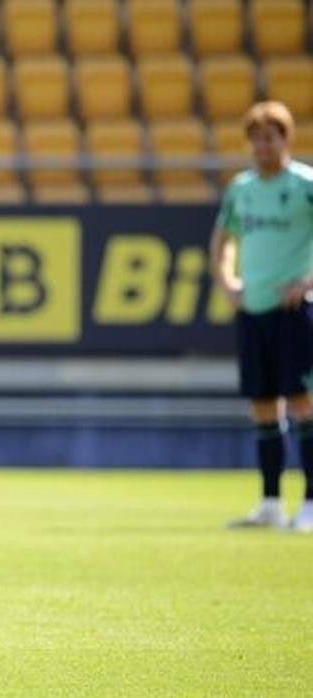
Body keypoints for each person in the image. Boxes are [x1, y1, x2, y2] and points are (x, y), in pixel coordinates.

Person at [209, 101, 313, 533]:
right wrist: (227, 281)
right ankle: (270, 503)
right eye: (255, 140)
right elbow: (221, 240)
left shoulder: (305, 185)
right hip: (253, 309)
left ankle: (310, 504)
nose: (262, 148)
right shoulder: (242, 189)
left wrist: (306, 282)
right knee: (263, 407)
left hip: (293, 309)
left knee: (303, 404)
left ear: (285, 140)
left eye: (269, 139)